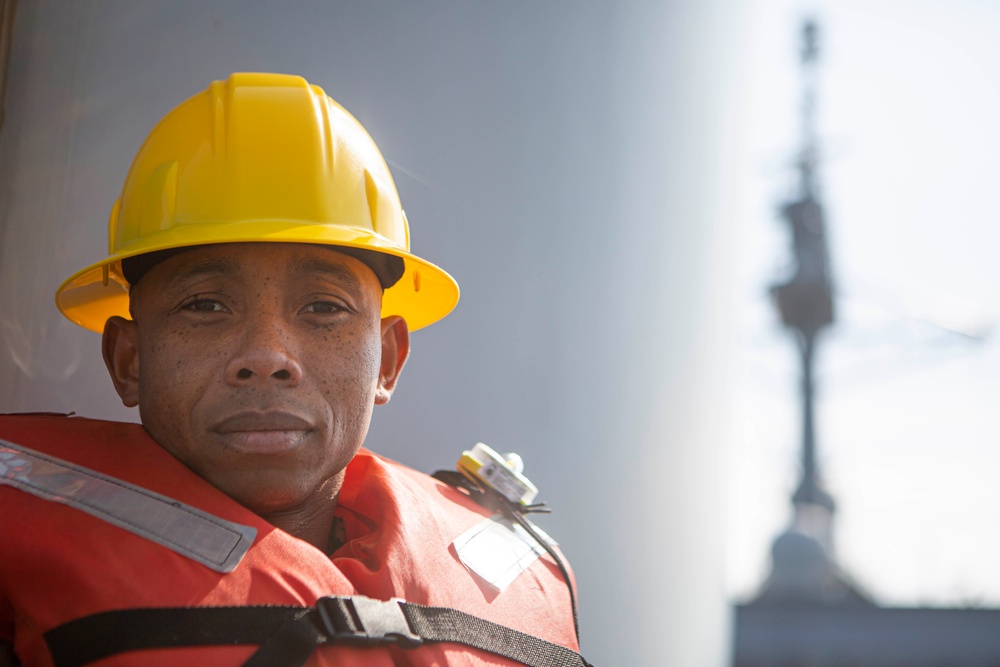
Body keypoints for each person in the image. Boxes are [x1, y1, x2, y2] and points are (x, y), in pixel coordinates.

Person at [0, 73, 587, 667]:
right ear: (127, 360)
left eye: (322, 307)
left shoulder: (523, 596)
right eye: (205, 305)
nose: (267, 356)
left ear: (387, 359)